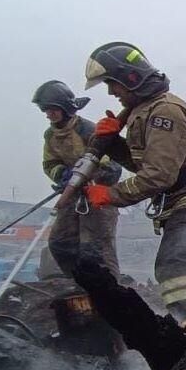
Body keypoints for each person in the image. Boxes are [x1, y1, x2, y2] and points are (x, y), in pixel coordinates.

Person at [81, 42, 186, 321]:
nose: (112, 92)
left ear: (130, 78)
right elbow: (146, 165)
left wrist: (111, 194)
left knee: (176, 265)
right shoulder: (146, 112)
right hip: (185, 198)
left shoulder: (164, 112)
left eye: (112, 84)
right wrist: (113, 144)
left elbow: (158, 175)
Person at [34, 80, 121, 278]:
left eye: (52, 110)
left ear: (65, 108)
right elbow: (49, 164)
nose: (48, 114)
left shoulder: (89, 131)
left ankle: (112, 296)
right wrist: (63, 174)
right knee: (59, 243)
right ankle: (80, 283)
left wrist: (87, 177)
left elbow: (112, 168)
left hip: (98, 198)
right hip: (72, 196)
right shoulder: (51, 135)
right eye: (45, 110)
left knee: (97, 250)